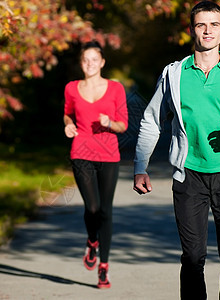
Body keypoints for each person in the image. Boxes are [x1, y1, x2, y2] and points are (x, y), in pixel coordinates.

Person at [133, 1, 220, 299]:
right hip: (190, 176)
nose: (207, 30)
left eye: (213, 25)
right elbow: (151, 121)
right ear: (191, 30)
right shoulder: (173, 75)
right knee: (193, 257)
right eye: (201, 25)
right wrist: (140, 166)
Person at [63, 41, 128, 289]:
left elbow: (123, 125)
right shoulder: (71, 88)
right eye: (85, 60)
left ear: (102, 63)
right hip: (81, 152)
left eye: (94, 59)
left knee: (105, 211)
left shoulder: (115, 88)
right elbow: (67, 113)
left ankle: (104, 267)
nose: (89, 64)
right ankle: (92, 240)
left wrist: (109, 122)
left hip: (108, 155)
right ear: (81, 63)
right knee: (92, 207)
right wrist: (68, 124)